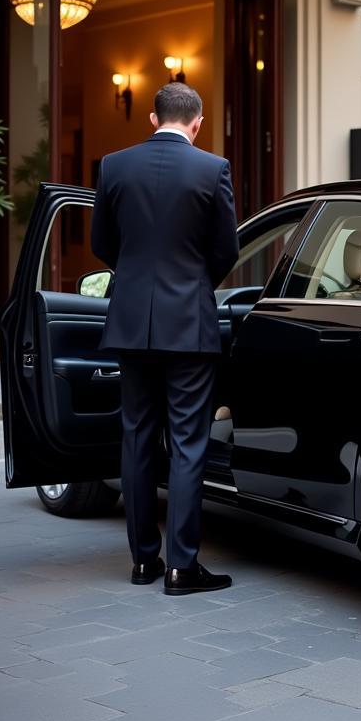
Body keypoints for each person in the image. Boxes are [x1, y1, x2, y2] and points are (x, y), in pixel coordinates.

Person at [92, 83, 239, 596]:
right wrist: (193, 286)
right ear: (196, 123)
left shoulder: (113, 165)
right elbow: (227, 250)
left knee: (135, 440)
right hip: (189, 325)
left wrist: (135, 281)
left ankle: (141, 562)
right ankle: (182, 567)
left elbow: (101, 243)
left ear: (151, 118)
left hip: (131, 323)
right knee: (188, 445)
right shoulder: (212, 168)